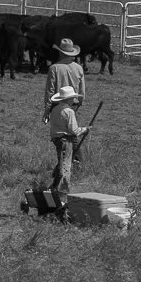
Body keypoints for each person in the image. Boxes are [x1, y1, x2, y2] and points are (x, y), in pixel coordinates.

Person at [44, 84, 88, 212]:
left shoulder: (55, 109)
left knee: (63, 164)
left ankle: (54, 189)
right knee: (66, 168)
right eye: (72, 98)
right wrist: (84, 130)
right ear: (68, 99)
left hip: (58, 140)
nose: (74, 100)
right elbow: (74, 130)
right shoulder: (68, 111)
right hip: (65, 141)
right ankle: (61, 197)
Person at [45, 38, 84, 103]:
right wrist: (80, 102)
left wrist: (48, 107)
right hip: (73, 104)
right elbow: (82, 90)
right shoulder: (79, 68)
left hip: (57, 105)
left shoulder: (54, 68)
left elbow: (50, 90)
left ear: (60, 52)